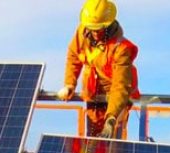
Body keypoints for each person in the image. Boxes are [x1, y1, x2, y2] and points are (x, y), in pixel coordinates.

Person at [57, 0, 140, 139]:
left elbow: (120, 86)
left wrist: (111, 118)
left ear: (108, 24)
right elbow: (73, 56)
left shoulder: (121, 48)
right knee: (93, 145)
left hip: (115, 98)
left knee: (113, 146)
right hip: (93, 93)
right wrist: (69, 84)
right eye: (92, 28)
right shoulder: (82, 32)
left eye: (99, 28)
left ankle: (113, 133)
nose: (95, 32)